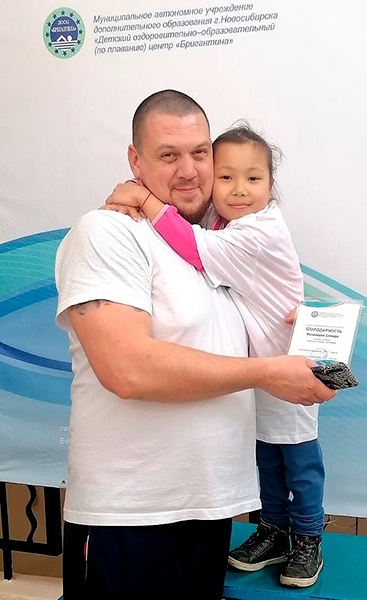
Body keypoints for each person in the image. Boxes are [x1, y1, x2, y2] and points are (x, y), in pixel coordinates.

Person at [54, 90, 335, 600]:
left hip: (211, 509)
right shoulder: (108, 232)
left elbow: (249, 326)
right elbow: (127, 368)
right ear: (135, 161)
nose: (189, 171)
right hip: (131, 517)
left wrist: (304, 329)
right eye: (168, 155)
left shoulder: (216, 243)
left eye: (200, 153)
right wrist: (268, 373)